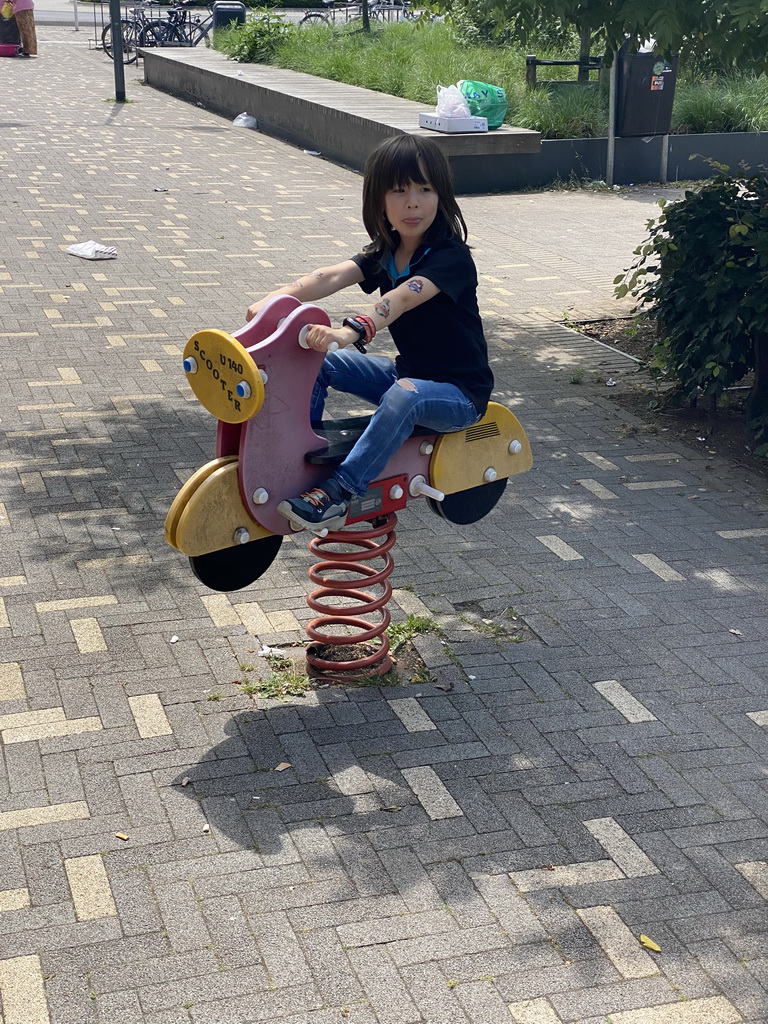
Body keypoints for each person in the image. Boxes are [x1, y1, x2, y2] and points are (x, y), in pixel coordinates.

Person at [245, 134, 494, 532]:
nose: (412, 202)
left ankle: (340, 492)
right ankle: (298, 457)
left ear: (441, 195)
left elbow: (403, 298)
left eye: (425, 189)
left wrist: (352, 329)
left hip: (459, 395)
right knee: (320, 363)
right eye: (399, 190)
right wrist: (275, 299)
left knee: (403, 396)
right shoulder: (387, 251)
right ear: (379, 198)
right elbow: (330, 275)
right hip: (408, 373)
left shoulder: (450, 258)